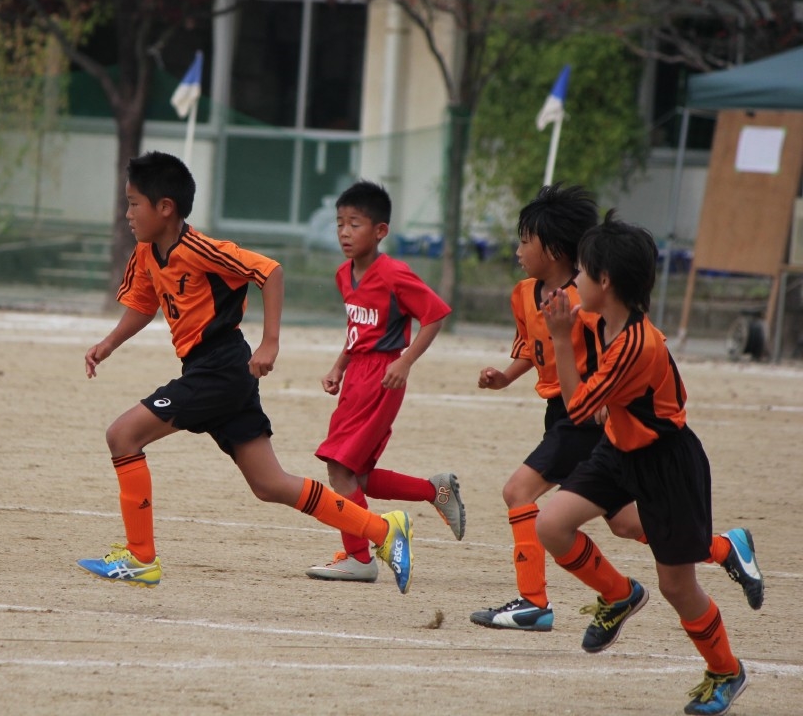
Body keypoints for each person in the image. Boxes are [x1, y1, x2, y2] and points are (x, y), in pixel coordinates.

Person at [77, 151, 414, 594]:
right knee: (270, 484)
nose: (128, 213)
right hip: (216, 371)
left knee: (122, 436)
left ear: (165, 208)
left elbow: (270, 272)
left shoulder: (201, 249)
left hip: (219, 368)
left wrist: (270, 341)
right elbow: (143, 304)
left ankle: (140, 558)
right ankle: (382, 529)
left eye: (134, 203)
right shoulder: (145, 253)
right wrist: (108, 344)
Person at [471, 184, 763, 632]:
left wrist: (611, 400)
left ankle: (536, 602)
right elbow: (533, 346)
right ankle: (724, 547)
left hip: (585, 417)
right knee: (626, 523)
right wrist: (506, 376)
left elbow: (626, 343)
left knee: (518, 492)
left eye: (525, 241)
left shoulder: (586, 303)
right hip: (561, 414)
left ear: (553, 250)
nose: (517, 250)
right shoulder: (524, 294)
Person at [536, 212, 753, 715]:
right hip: (619, 449)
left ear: (605, 281)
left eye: (582, 272)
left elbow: (579, 411)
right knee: (552, 525)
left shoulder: (637, 345)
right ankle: (619, 595)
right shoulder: (604, 319)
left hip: (666, 462)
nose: (574, 281)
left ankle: (726, 669)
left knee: (677, 586)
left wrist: (560, 337)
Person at [306, 180, 464, 584]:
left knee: (339, 469)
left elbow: (435, 315)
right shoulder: (344, 274)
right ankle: (434, 490)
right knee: (356, 476)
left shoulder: (394, 274)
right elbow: (357, 330)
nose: (344, 232)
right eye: (340, 223)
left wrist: (405, 361)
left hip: (381, 377)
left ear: (380, 231)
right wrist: (339, 365)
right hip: (357, 376)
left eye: (354, 224)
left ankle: (360, 557)